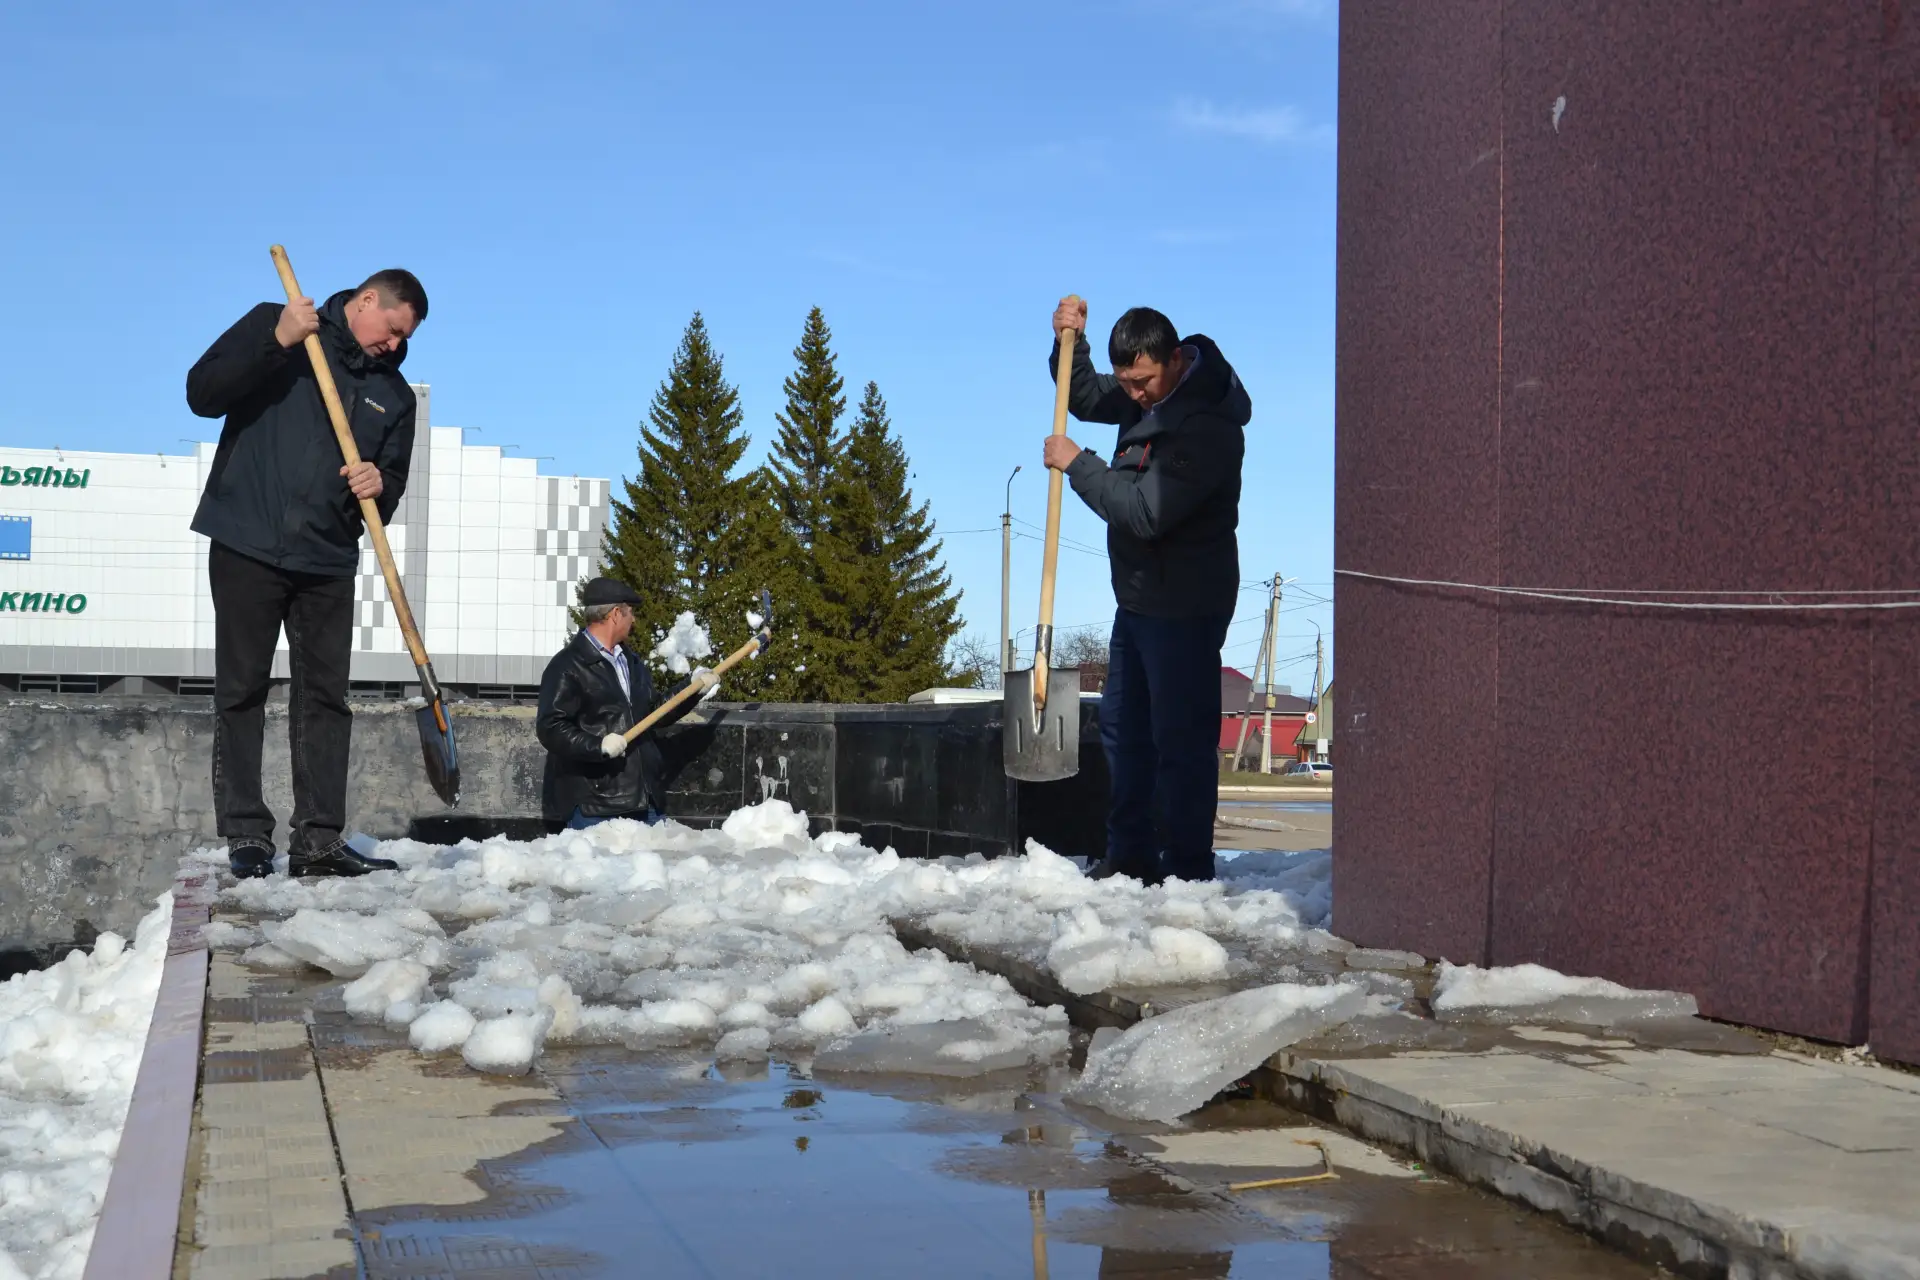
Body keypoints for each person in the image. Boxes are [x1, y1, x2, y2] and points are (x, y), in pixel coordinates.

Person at [186, 269, 429, 880]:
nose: (395, 344)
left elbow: (390, 491)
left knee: (324, 699)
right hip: (246, 539)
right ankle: (247, 834)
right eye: (393, 329)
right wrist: (277, 340)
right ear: (367, 300)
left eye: (405, 338)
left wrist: (379, 483)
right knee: (241, 689)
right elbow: (202, 393)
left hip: (326, 558)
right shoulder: (283, 325)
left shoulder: (395, 396)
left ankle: (318, 840)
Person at [1041, 298, 1251, 885]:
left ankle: (1186, 869)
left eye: (1142, 382)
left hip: (1186, 605)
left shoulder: (1207, 425)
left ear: (1175, 360)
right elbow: (1085, 396)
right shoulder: (1146, 395)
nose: (1132, 394)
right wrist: (1069, 341)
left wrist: (1077, 464)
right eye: (1127, 381)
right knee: (1123, 731)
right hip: (1136, 601)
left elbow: (1144, 512)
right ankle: (1130, 855)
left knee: (1180, 740)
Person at [536, 577, 717, 830]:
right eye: (630, 612)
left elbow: (653, 713)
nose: (634, 619)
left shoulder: (630, 662)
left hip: (647, 800)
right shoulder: (568, 665)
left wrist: (692, 688)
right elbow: (551, 727)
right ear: (615, 614)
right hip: (597, 807)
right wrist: (597, 746)